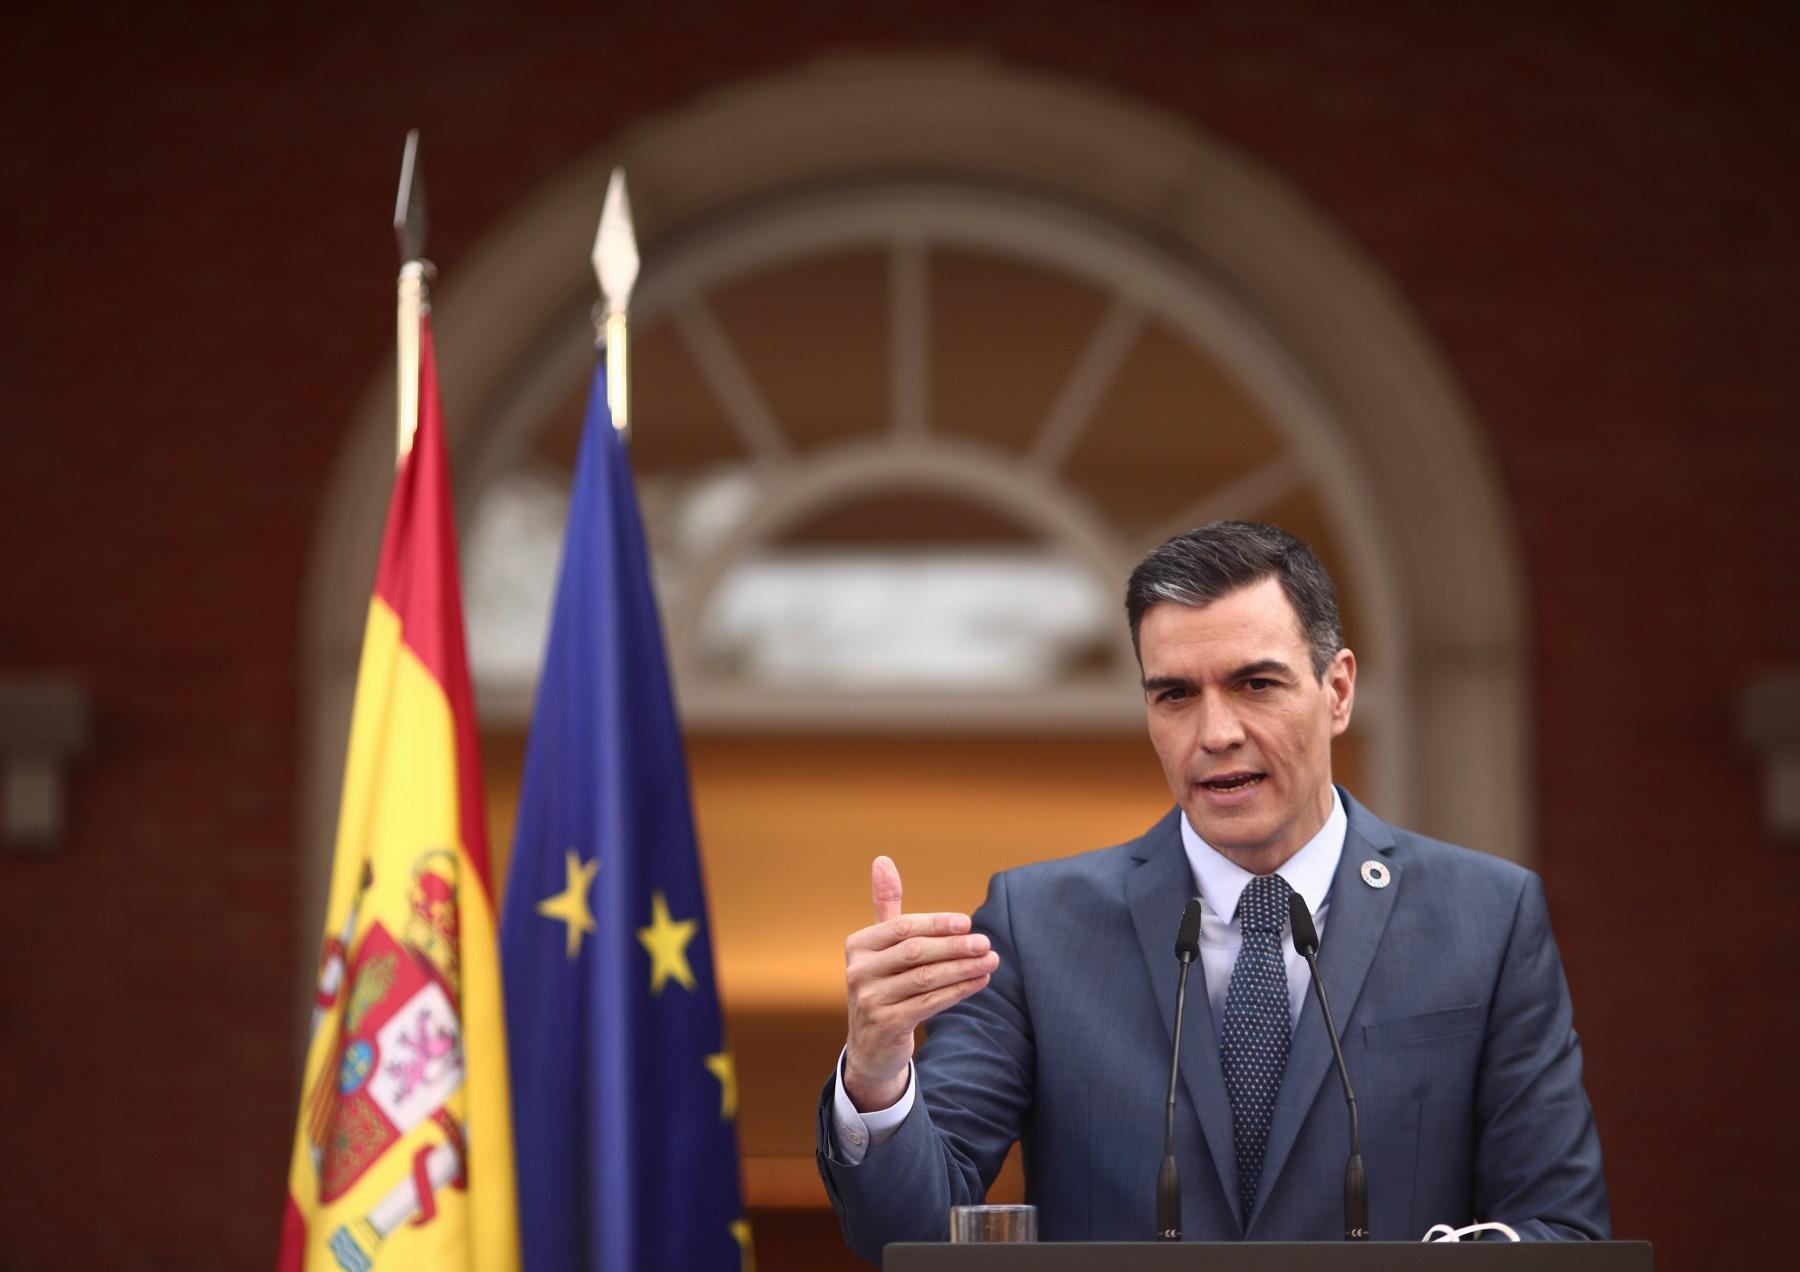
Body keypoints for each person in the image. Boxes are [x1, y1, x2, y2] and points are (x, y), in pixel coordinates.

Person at [815, 520, 1608, 1260]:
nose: (1215, 733)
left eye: (1255, 684)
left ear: (1337, 692)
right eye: (1175, 695)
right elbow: (909, 1232)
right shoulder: (1038, 926)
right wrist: (878, 1071)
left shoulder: (1487, 919)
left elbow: (1563, 1230)